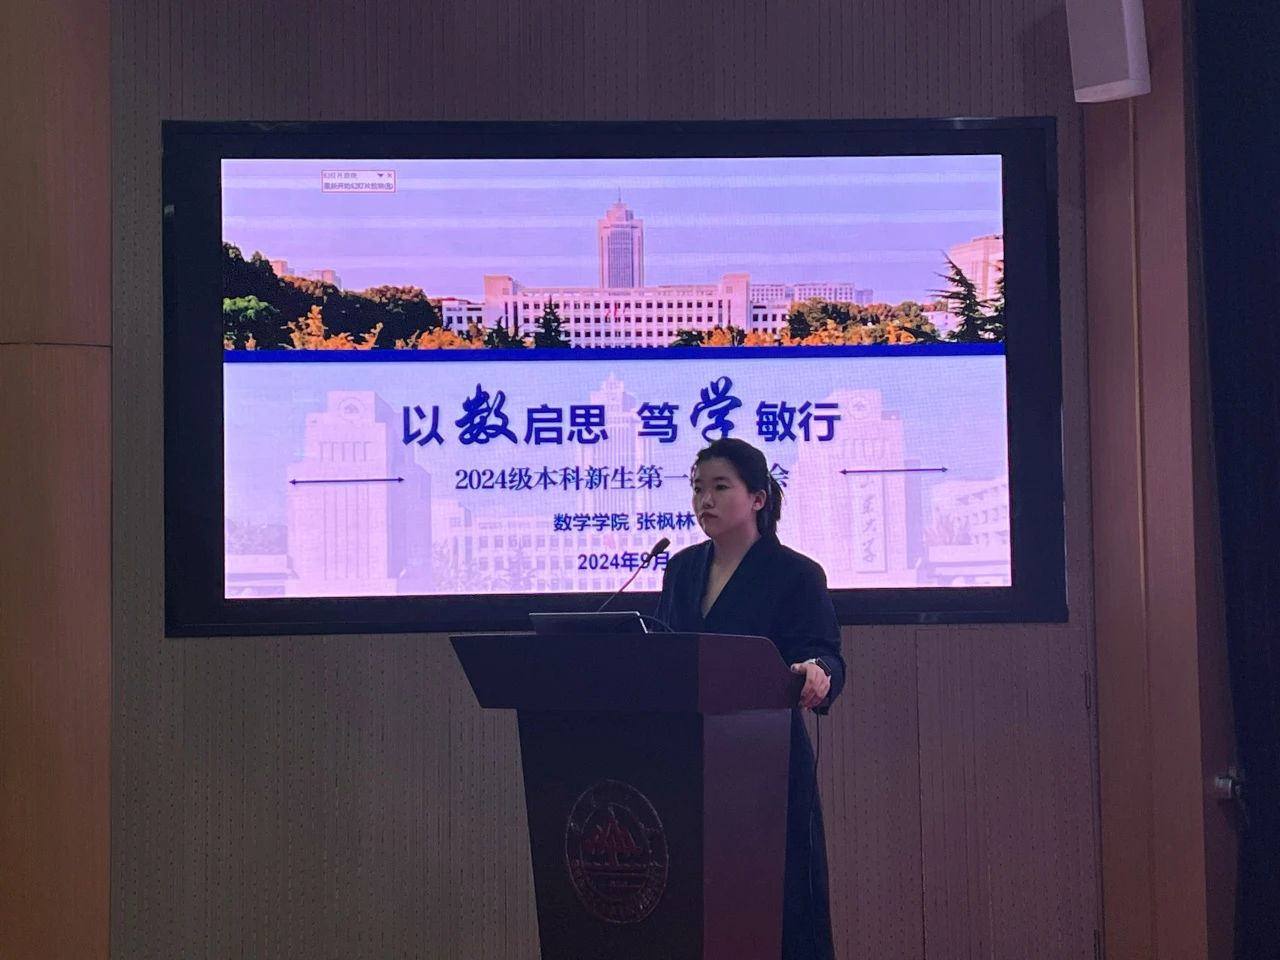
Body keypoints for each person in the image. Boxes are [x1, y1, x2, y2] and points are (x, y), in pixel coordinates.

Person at [654, 437, 845, 960]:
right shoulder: (681, 569)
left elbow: (824, 653)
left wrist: (817, 672)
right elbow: (667, 653)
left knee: (782, 909)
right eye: (697, 489)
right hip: (687, 763)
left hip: (766, 767)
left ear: (758, 498)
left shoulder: (796, 573)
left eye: (720, 487)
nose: (704, 501)